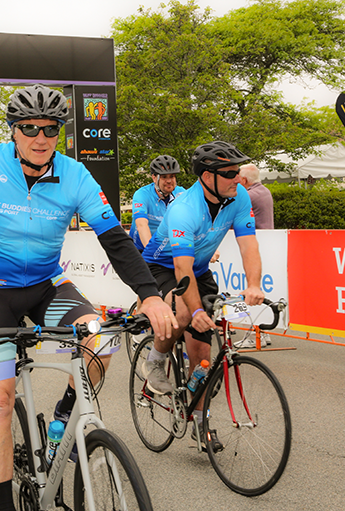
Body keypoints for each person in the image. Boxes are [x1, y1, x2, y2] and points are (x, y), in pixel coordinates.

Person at [0, 84, 175, 511]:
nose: (41, 137)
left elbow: (115, 240)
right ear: (14, 130)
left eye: (51, 128)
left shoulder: (76, 174)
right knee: (0, 400)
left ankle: (65, 412)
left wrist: (151, 296)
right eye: (29, 128)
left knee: (102, 338)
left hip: (47, 286)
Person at [141, 141, 265, 451]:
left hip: (197, 268)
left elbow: (249, 246)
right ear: (207, 177)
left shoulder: (238, 197)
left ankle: (200, 422)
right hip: (161, 266)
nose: (237, 178)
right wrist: (195, 311)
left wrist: (254, 284)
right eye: (229, 173)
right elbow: (180, 268)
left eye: (238, 172)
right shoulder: (184, 208)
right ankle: (155, 360)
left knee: (202, 353)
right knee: (185, 314)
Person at [129, 155, 185, 252]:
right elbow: (142, 224)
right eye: (164, 177)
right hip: (141, 248)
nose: (169, 181)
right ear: (154, 178)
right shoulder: (142, 194)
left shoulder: (181, 194)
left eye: (172, 176)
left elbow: (195, 222)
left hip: (167, 249)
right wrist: (151, 250)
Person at [239, 163, 274, 229]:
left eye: (238, 178)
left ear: (244, 180)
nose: (236, 181)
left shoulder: (249, 195)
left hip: (256, 236)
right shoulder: (265, 191)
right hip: (267, 234)